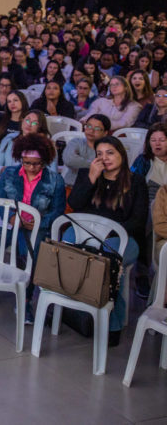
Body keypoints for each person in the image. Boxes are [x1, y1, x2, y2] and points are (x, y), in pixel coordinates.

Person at [0, 133, 66, 322]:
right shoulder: (9, 174)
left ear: (45, 160)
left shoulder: (55, 180)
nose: (32, 168)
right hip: (10, 222)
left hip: (34, 226)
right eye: (27, 163)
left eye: (37, 163)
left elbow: (57, 212)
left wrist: (40, 222)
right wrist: (10, 217)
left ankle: (25, 298)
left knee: (29, 253)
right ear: (21, 159)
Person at [68, 136, 148, 345]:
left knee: (109, 261)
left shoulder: (136, 181)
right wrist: (91, 179)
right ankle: (70, 309)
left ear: (121, 154)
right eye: (100, 154)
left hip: (122, 238)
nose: (105, 158)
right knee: (66, 246)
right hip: (88, 234)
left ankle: (112, 323)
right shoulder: (88, 174)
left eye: (110, 153)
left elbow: (138, 222)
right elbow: (75, 204)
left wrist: (107, 233)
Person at [0, 109, 48, 176]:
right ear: (22, 120)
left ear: (40, 127)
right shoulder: (9, 138)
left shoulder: (46, 145)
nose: (29, 124)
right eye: (27, 120)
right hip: (8, 180)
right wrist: (5, 170)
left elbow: (52, 174)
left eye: (34, 123)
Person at [62, 113, 110, 185]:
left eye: (97, 128)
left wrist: (80, 160)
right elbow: (69, 160)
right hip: (72, 185)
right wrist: (95, 166)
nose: (91, 131)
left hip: (98, 188)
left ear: (105, 133)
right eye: (89, 126)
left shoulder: (108, 149)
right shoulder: (76, 142)